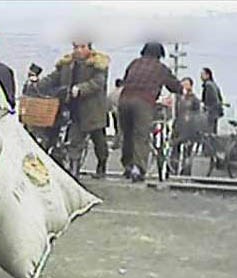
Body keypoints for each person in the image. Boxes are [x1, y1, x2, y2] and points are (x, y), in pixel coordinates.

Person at [36, 39, 110, 179]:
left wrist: (80, 89)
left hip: (93, 109)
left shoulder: (98, 65)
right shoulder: (67, 65)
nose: (78, 50)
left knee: (99, 140)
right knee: (75, 140)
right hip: (73, 108)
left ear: (89, 48)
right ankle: (74, 169)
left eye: (82, 47)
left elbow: (98, 82)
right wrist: (37, 84)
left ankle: (102, 164)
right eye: (76, 47)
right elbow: (53, 78)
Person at [119, 42, 182, 182]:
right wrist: (181, 89)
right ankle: (138, 169)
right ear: (159, 54)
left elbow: (125, 80)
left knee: (127, 134)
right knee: (141, 135)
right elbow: (174, 86)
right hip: (143, 102)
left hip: (123, 100)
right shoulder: (160, 68)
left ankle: (127, 166)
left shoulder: (134, 63)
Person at [200, 67, 223, 134]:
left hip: (210, 113)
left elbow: (211, 100)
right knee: (213, 132)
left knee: (209, 133)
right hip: (215, 113)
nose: (201, 76)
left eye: (202, 74)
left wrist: (206, 109)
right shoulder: (214, 85)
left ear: (208, 75)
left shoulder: (208, 85)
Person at [107, 78, 124, 151]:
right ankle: (119, 143)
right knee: (122, 128)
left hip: (114, 112)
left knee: (117, 128)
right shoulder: (122, 92)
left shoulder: (111, 93)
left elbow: (108, 104)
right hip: (122, 111)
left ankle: (116, 142)